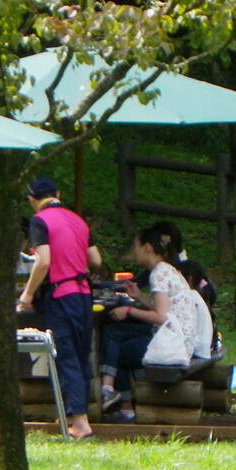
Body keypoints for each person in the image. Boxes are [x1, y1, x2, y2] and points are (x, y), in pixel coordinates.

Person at [17, 177, 102, 440]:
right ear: (58, 194)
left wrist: (27, 294)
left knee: (66, 355)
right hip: (83, 295)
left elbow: (43, 261)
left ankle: (81, 424)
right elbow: (96, 259)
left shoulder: (40, 221)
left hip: (60, 296)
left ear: (32, 199)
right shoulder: (78, 220)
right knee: (80, 354)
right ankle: (72, 414)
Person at [98, 225, 202, 421]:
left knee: (116, 345)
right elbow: (166, 309)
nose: (134, 251)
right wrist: (139, 297)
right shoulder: (167, 269)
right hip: (179, 337)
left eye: (135, 246)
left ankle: (116, 398)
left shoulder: (158, 274)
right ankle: (113, 392)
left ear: (147, 247)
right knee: (115, 334)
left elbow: (161, 317)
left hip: (173, 344)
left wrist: (129, 310)